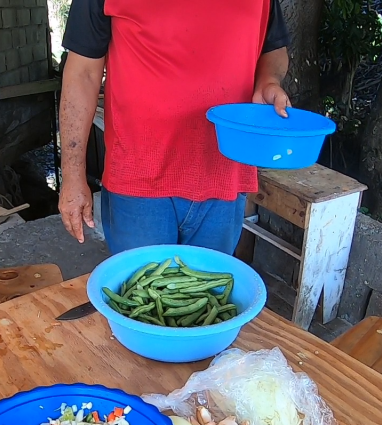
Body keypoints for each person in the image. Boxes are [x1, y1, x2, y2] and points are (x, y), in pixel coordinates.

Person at [58, 0, 291, 255]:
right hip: (138, 180)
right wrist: (72, 176)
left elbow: (274, 48)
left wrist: (268, 80)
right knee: (143, 281)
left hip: (225, 174)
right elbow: (83, 73)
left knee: (208, 280)